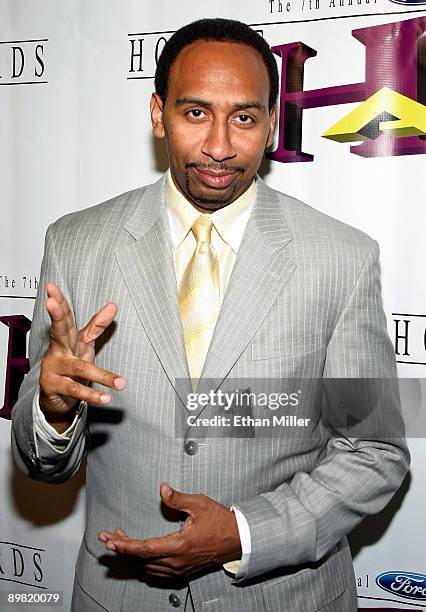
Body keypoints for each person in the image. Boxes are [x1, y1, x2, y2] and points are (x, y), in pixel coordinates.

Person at [11, 18, 409, 612]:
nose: (220, 145)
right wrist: (51, 407)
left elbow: (375, 452)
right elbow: (38, 463)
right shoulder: (75, 244)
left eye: (244, 117)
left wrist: (247, 534)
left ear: (273, 123)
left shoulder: (341, 258)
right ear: (157, 113)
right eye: (195, 113)